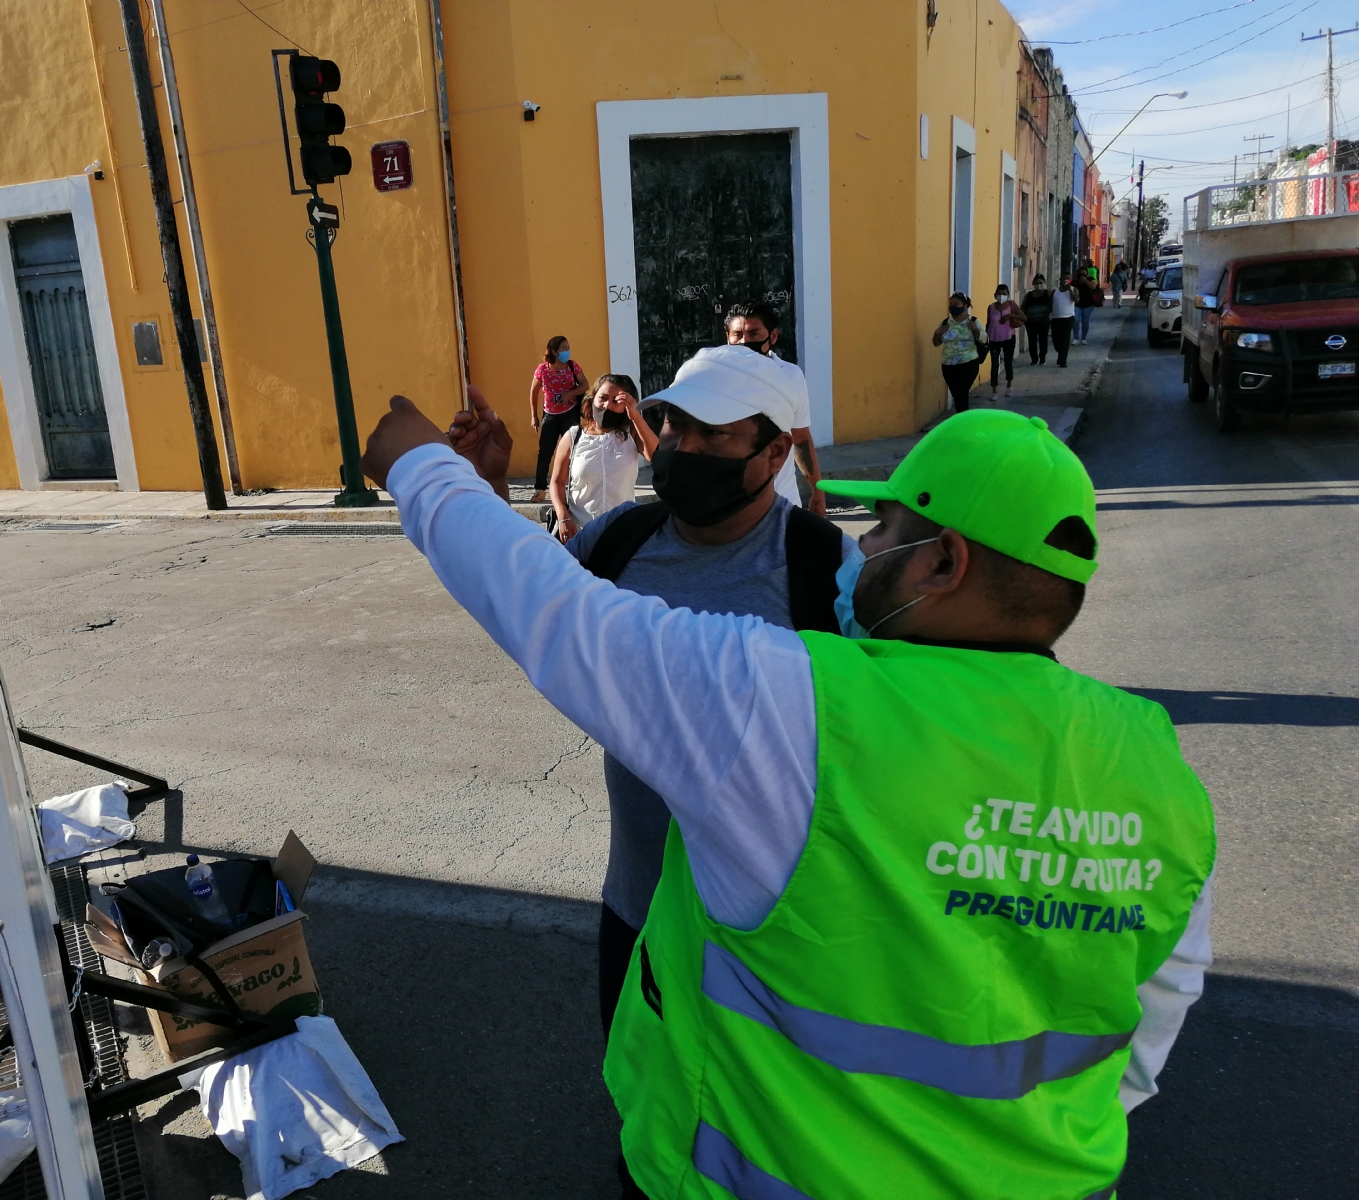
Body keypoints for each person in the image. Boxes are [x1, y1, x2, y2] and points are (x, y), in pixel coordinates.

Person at [364, 394, 1215, 1200]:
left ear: (943, 561)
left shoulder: (795, 707)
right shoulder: (1160, 772)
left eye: (886, 526)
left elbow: (555, 614)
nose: (864, 543)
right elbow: (1144, 1034)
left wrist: (420, 466)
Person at [559, 345, 853, 1052]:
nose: (685, 448)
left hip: (770, 925)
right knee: (639, 1103)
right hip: (637, 907)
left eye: (714, 434)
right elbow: (522, 607)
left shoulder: (825, 566)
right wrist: (473, 483)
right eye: (675, 425)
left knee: (754, 1129)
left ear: (776, 449)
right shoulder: (617, 543)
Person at [723, 302, 826, 515]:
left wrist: (817, 491)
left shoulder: (790, 376)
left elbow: (800, 437)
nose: (744, 342)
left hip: (783, 503)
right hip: (730, 507)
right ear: (728, 337)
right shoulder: (712, 377)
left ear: (773, 337)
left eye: (754, 334)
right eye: (738, 335)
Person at [549, 374, 657, 543]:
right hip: (580, 534)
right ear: (592, 399)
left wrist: (636, 416)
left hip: (622, 533)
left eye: (616, 401)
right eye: (603, 398)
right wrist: (563, 517)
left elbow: (656, 455)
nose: (608, 405)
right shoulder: (573, 436)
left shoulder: (631, 435)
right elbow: (557, 482)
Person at [529, 335, 588, 503]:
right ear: (554, 352)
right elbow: (533, 392)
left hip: (570, 413)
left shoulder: (572, 366)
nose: (567, 351)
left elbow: (585, 385)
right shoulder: (542, 370)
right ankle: (540, 489)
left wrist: (569, 394)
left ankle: (574, 489)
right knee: (545, 453)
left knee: (574, 452)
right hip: (550, 416)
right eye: (564, 348)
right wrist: (534, 415)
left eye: (568, 348)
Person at [932, 292, 987, 412]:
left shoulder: (972, 321)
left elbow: (984, 339)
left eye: (956, 304)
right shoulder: (946, 323)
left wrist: (975, 329)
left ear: (965, 305)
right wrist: (937, 333)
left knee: (962, 392)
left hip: (968, 363)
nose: (952, 307)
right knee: (956, 394)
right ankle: (961, 417)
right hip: (948, 365)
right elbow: (936, 343)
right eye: (950, 304)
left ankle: (963, 419)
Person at [984, 285, 1025, 396]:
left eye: (1004, 294)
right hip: (994, 339)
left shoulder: (1011, 305)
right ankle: (994, 390)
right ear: (995, 295)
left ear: (1008, 295)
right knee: (995, 364)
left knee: (1008, 362)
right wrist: (985, 337)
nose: (1001, 296)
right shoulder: (991, 307)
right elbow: (988, 323)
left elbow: (1024, 317)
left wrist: (1010, 315)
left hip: (1009, 338)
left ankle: (1009, 385)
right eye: (999, 293)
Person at [1021, 273, 1053, 365]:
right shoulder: (1029, 295)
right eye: (1036, 283)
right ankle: (1034, 359)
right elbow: (1023, 307)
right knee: (1032, 341)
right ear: (1033, 284)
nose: (1039, 285)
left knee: (1043, 341)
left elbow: (1052, 306)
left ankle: (1042, 358)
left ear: (1044, 283)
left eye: (1040, 283)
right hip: (1030, 322)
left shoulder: (1048, 293)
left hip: (1043, 322)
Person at [1050, 274, 1076, 367]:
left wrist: (1069, 289)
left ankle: (1063, 360)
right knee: (1056, 340)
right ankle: (1060, 353)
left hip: (1068, 318)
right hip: (1056, 318)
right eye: (1064, 278)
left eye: (1068, 278)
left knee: (1065, 339)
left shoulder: (1073, 289)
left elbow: (1076, 300)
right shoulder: (1054, 291)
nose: (1065, 280)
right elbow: (1050, 305)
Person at [1072, 272, 1099, 346]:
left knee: (1085, 321)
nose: (1082, 275)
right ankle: (1076, 338)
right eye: (1081, 273)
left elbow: (1093, 287)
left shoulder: (1090, 280)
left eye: (1084, 273)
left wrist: (1085, 281)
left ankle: (1083, 338)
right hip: (1077, 305)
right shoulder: (1075, 282)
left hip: (1088, 305)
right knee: (1076, 320)